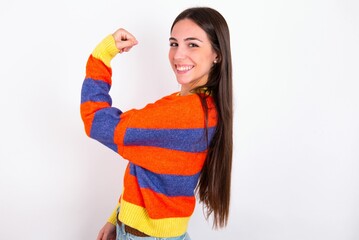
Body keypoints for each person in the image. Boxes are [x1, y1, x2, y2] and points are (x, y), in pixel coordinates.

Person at [80, 6, 233, 240]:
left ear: (217, 54)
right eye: (174, 43)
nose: (178, 54)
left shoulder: (183, 114)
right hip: (148, 232)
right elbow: (148, 163)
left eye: (192, 44)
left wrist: (102, 55)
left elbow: (96, 122)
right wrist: (118, 216)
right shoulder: (203, 106)